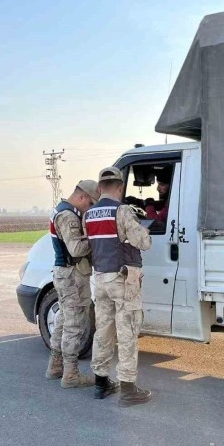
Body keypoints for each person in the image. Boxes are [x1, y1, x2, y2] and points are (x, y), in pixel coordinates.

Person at [84, 166, 153, 406]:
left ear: (100, 188)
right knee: (127, 332)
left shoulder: (89, 214)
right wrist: (144, 230)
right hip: (122, 279)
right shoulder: (122, 211)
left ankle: (101, 384)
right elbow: (143, 242)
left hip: (100, 279)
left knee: (103, 331)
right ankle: (127, 388)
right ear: (121, 187)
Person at [47, 180, 101, 389]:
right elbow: (76, 249)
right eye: (90, 203)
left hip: (65, 274)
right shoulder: (68, 216)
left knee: (63, 319)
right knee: (74, 324)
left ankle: (55, 366)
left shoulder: (62, 210)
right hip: (72, 275)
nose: (90, 208)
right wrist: (96, 238)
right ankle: (70, 375)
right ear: (81, 197)